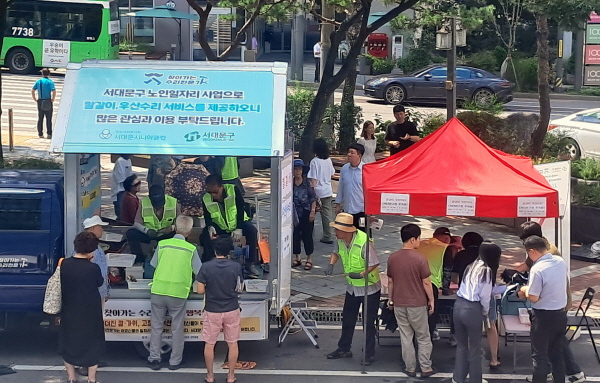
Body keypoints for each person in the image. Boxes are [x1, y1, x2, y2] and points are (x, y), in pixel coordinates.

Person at [325, 213, 380, 365]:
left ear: (347, 231)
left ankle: (368, 354)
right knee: (348, 318)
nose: (335, 232)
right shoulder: (340, 240)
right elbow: (336, 253)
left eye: (337, 229)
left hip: (369, 288)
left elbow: (374, 262)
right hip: (352, 287)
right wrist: (331, 264)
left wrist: (362, 274)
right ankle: (344, 348)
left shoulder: (364, 242)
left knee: (368, 323)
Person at [147, 215, 202, 371]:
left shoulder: (162, 244)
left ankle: (154, 359)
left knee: (156, 326)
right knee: (177, 328)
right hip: (178, 293)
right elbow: (199, 271)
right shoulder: (191, 249)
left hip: (158, 290)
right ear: (189, 231)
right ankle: (175, 361)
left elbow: (153, 264)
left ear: (175, 228)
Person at [386, 223, 436, 377]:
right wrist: (431, 300)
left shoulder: (393, 258)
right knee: (423, 336)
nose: (420, 241)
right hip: (417, 303)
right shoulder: (420, 258)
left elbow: (390, 282)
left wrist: (390, 299)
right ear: (413, 239)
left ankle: (410, 368)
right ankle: (426, 367)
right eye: (419, 238)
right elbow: (426, 282)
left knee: (406, 336)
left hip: (399, 303)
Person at [518, 236, 569, 383]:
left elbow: (533, 297)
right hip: (560, 314)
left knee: (539, 357)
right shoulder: (560, 261)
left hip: (543, 318)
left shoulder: (538, 269)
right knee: (557, 354)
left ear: (532, 251)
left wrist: (523, 289)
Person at [58, 231, 105, 383]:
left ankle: (72, 378)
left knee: (69, 342)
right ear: (92, 250)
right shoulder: (93, 269)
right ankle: (91, 379)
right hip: (90, 312)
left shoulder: (64, 264)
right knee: (92, 344)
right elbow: (99, 282)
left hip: (69, 309)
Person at [453, 241, 501, 383]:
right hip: (472, 310)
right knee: (475, 348)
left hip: (458, 305)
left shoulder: (471, 266)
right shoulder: (487, 271)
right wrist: (485, 312)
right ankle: (476, 380)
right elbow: (485, 297)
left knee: (461, 346)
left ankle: (458, 378)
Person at [196, 236, 243, 383]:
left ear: (214, 250)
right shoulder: (236, 267)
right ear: (229, 251)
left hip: (212, 310)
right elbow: (240, 288)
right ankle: (230, 376)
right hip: (232, 309)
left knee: (210, 344)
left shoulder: (206, 267)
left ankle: (210, 376)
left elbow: (200, 290)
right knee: (232, 343)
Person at [201, 174, 259, 278]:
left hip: (238, 223)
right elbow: (207, 217)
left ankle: (250, 264)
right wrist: (211, 227)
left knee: (252, 231)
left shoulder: (233, 190)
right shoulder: (206, 198)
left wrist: (239, 228)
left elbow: (241, 209)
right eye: (210, 192)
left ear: (221, 187)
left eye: (215, 192)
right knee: (205, 236)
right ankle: (209, 264)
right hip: (221, 227)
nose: (213, 195)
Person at [126, 185, 180, 263]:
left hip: (166, 235)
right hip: (149, 234)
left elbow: (181, 223)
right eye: (156, 205)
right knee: (131, 233)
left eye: (160, 204)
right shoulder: (144, 202)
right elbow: (137, 223)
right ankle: (139, 259)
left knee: (179, 234)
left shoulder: (173, 202)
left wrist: (171, 228)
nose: (158, 208)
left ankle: (173, 257)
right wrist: (147, 231)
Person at [417, 227, 454, 341]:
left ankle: (411, 349)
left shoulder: (420, 244)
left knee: (414, 317)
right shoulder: (446, 248)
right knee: (430, 317)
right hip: (430, 285)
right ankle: (427, 343)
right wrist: (446, 289)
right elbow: (447, 271)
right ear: (447, 238)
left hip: (412, 283)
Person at [448, 231, 484, 347]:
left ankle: (455, 337)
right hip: (482, 293)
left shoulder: (461, 255)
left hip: (463, 293)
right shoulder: (484, 255)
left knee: (457, 314)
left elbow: (454, 278)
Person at [307, 138, 336, 244]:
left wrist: (313, 193)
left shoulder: (314, 161)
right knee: (327, 214)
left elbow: (313, 178)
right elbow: (332, 173)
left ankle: (309, 234)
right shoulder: (328, 160)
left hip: (318, 191)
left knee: (312, 213)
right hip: (328, 190)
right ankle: (328, 236)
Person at [335, 143, 367, 232]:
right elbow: (341, 187)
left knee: (362, 236)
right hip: (347, 210)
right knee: (347, 236)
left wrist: (371, 212)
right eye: (348, 152)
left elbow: (369, 191)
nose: (349, 155)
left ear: (359, 155)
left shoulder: (366, 170)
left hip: (361, 210)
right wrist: (338, 204)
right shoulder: (344, 169)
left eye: (352, 153)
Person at [292, 159, 317, 270]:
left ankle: (309, 259)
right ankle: (297, 258)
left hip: (306, 211)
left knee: (307, 235)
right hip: (294, 213)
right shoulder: (290, 183)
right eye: (296, 169)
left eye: (299, 169)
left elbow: (313, 198)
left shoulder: (307, 182)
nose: (298, 171)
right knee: (295, 235)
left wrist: (312, 211)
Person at [31, 68, 56, 139]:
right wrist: (53, 99)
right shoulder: (50, 82)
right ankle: (49, 134)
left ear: (42, 73)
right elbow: (54, 91)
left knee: (40, 118)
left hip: (40, 101)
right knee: (49, 119)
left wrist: (35, 98)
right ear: (49, 74)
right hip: (48, 101)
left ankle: (40, 133)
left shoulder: (39, 81)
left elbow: (33, 90)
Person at [110, 154, 133, 220]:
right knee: (120, 211)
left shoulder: (128, 161)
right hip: (119, 190)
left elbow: (130, 174)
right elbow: (120, 178)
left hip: (126, 189)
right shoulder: (120, 161)